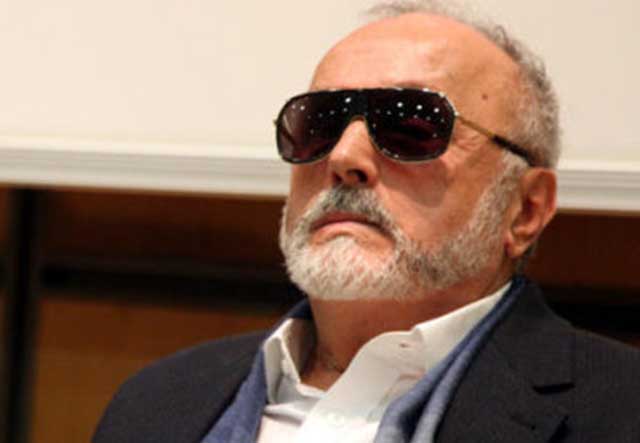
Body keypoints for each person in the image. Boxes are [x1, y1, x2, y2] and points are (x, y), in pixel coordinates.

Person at [93, 1, 640, 442]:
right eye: (318, 125)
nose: (343, 157)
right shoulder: (155, 401)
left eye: (411, 128)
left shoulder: (621, 412)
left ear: (525, 210)